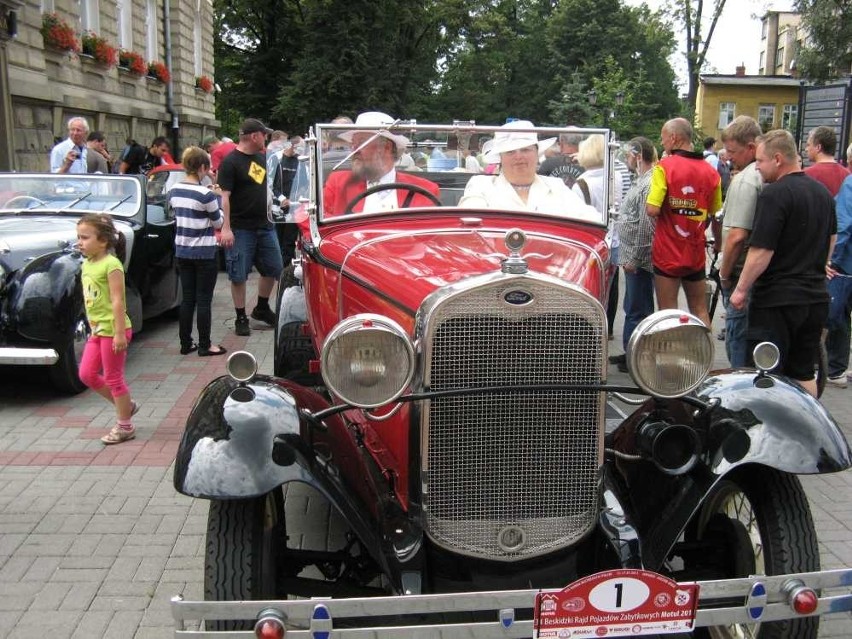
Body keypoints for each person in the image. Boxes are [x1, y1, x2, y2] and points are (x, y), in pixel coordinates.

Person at [730, 130, 836, 398]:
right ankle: (806, 428)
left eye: (761, 160)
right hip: (814, 298)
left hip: (778, 301)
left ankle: (769, 433)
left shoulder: (774, 194)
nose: (757, 166)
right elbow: (831, 237)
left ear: (778, 159)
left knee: (766, 373)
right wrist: (818, 264)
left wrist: (741, 289)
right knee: (803, 371)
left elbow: (762, 250)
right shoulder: (822, 193)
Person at [646, 118, 722, 329]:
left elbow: (652, 209)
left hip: (667, 252)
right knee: (699, 309)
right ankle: (703, 359)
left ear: (674, 138)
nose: (662, 144)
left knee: (667, 312)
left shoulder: (665, 167)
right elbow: (716, 214)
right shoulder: (711, 172)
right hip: (695, 251)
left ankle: (670, 360)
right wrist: (719, 244)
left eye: (663, 139)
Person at [75, 213, 138, 444]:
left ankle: (125, 426)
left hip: (114, 330)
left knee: (113, 378)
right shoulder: (88, 263)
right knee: (86, 374)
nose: (80, 242)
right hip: (98, 330)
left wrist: (120, 333)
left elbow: (118, 301)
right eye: (78, 237)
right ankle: (126, 405)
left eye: (85, 237)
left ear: (103, 241)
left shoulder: (112, 265)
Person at [217, 118, 283, 336]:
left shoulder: (260, 158)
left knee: (274, 268)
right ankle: (240, 316)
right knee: (238, 274)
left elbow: (263, 186)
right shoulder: (231, 162)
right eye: (264, 134)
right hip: (240, 228)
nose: (266, 138)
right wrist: (225, 228)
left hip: (265, 225)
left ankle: (261, 307)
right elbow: (224, 197)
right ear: (255, 136)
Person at [459, 120, 598, 219]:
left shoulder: (556, 186)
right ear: (500, 158)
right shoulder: (481, 185)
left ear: (537, 154)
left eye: (525, 150)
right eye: (510, 152)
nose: (519, 156)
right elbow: (468, 220)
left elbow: (590, 219)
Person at [168, 146, 227, 357]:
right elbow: (218, 221)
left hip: (182, 250)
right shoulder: (206, 194)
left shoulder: (173, 190)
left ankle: (185, 343)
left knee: (188, 299)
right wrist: (218, 197)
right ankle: (205, 345)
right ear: (203, 167)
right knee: (204, 300)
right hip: (204, 251)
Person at [323, 111, 440, 216]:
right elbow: (313, 225)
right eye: (353, 143)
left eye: (362, 143)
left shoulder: (424, 190)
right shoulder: (338, 183)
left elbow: (428, 236)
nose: (354, 150)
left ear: (386, 147)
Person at [717, 115, 764, 368]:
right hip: (759, 273)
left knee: (738, 341)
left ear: (751, 147)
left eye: (733, 151)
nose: (728, 156)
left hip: (740, 273)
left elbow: (737, 235)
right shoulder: (764, 176)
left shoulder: (746, 180)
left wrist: (724, 274)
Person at [609, 137, 657, 372]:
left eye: (628, 154)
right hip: (632, 257)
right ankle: (630, 350)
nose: (626, 159)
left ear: (637, 155)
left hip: (638, 260)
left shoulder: (648, 183)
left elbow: (647, 227)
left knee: (638, 307)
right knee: (632, 306)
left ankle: (636, 356)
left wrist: (635, 258)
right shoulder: (642, 180)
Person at [572, 134, 626, 338]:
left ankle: (593, 329)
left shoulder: (582, 183)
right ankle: (608, 328)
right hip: (614, 238)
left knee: (593, 287)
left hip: (593, 242)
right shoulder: (617, 177)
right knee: (611, 287)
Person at [826, 174, 852, 387]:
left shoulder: (850, 184)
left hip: (847, 265)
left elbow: (843, 225)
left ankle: (836, 369)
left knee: (838, 315)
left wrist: (832, 260)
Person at [271, 136, 303, 265]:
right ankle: (278, 270)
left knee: (289, 242)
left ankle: (287, 273)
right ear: (291, 145)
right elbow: (270, 183)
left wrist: (297, 198)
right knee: (277, 241)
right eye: (300, 147)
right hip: (276, 207)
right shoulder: (276, 159)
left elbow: (304, 183)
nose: (301, 151)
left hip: (293, 207)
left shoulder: (299, 161)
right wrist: (282, 198)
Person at [804, 126, 850, 197]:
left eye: (808, 145)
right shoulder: (848, 175)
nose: (806, 149)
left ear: (818, 147)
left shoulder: (806, 175)